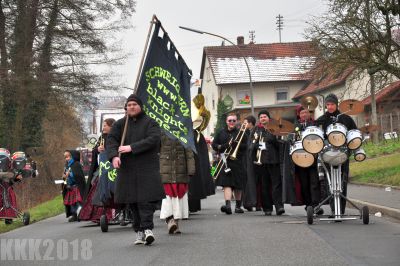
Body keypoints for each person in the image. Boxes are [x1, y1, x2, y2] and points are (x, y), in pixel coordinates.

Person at [107, 94, 165, 246]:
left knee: (146, 201)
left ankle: (147, 229)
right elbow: (111, 141)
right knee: (132, 201)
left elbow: (153, 139)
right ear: (126, 108)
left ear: (140, 106)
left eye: (134, 104)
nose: (131, 107)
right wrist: (114, 157)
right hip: (127, 169)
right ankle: (139, 230)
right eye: (129, 104)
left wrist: (131, 147)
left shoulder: (150, 122)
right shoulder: (119, 125)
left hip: (146, 167)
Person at [316, 93, 357, 215]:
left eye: (332, 104)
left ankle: (341, 209)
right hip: (328, 153)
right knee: (330, 181)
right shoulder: (323, 118)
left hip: (343, 153)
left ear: (336, 104)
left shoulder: (346, 118)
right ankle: (334, 209)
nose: (330, 107)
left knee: (342, 181)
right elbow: (315, 131)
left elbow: (354, 133)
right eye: (327, 104)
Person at [79, 118, 115, 223]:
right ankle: (98, 215)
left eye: (105, 125)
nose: (103, 128)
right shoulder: (102, 137)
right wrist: (97, 150)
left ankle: (114, 214)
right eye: (103, 125)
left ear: (111, 126)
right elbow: (95, 149)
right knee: (96, 185)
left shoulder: (116, 136)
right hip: (102, 168)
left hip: (113, 168)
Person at [159, 132, 195, 234]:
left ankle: (176, 223)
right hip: (165, 170)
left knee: (179, 197)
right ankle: (170, 220)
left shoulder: (184, 131)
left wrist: (191, 170)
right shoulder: (161, 131)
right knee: (168, 198)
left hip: (180, 170)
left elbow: (189, 153)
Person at [212, 113, 247, 215]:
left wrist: (238, 145)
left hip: (238, 161)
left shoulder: (241, 133)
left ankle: (238, 206)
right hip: (225, 161)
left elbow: (247, 145)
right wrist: (224, 146)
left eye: (234, 121)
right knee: (227, 183)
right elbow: (214, 145)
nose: (232, 122)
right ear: (226, 121)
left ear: (236, 122)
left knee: (238, 185)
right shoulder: (221, 133)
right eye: (230, 120)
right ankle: (228, 206)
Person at [294, 106, 323, 214]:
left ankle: (316, 205)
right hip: (300, 157)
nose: (304, 115)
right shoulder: (296, 126)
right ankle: (308, 204)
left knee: (314, 182)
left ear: (309, 114)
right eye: (302, 113)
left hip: (313, 157)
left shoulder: (314, 124)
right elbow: (291, 138)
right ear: (299, 115)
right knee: (304, 183)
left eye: (306, 112)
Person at [257, 110, 285, 216]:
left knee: (276, 185)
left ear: (268, 118)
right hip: (262, 162)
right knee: (264, 186)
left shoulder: (275, 129)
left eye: (265, 116)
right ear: (259, 120)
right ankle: (267, 208)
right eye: (261, 117)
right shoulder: (257, 130)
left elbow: (281, 144)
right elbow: (251, 145)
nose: (263, 118)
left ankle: (279, 207)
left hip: (274, 160)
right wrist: (257, 146)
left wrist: (272, 139)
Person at [62, 150, 86, 222]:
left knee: (79, 201)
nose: (67, 158)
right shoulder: (66, 166)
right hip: (70, 187)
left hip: (77, 187)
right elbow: (64, 176)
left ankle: (82, 213)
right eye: (65, 157)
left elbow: (78, 176)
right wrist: (64, 177)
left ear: (73, 156)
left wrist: (70, 174)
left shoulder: (76, 165)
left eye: (69, 156)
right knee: (72, 203)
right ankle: (74, 215)